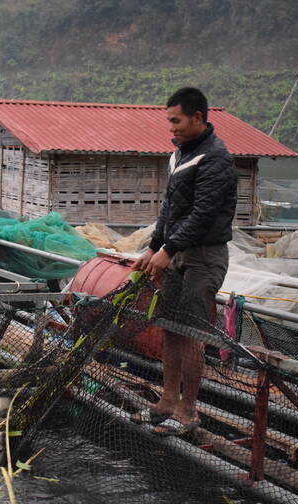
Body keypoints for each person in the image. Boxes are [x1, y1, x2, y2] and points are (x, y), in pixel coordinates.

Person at [130, 87, 237, 436]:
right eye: (169, 121)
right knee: (170, 329)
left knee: (191, 333)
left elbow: (202, 214)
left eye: (176, 121)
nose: (171, 127)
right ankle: (166, 401)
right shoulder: (179, 156)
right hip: (176, 253)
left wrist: (169, 249)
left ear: (198, 118)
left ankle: (188, 409)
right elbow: (170, 209)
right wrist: (154, 246)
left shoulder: (215, 158)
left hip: (204, 256)